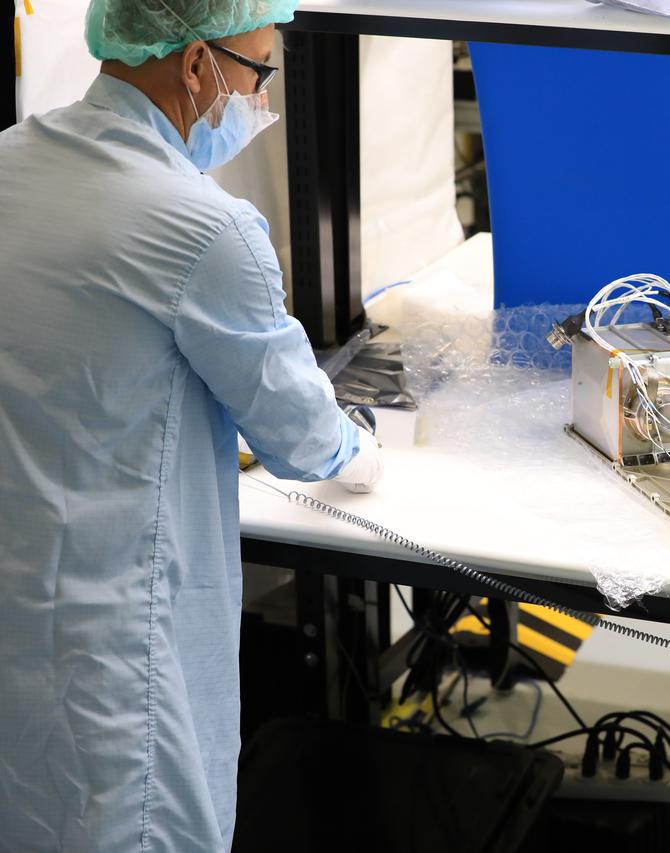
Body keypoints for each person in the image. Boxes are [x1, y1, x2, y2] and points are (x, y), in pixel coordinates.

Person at [0, 0, 383, 849]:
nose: (260, 101)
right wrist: (366, 451)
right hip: (116, 660)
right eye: (258, 74)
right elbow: (305, 439)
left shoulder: (11, 163)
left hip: (21, 620)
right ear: (194, 65)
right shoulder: (202, 226)